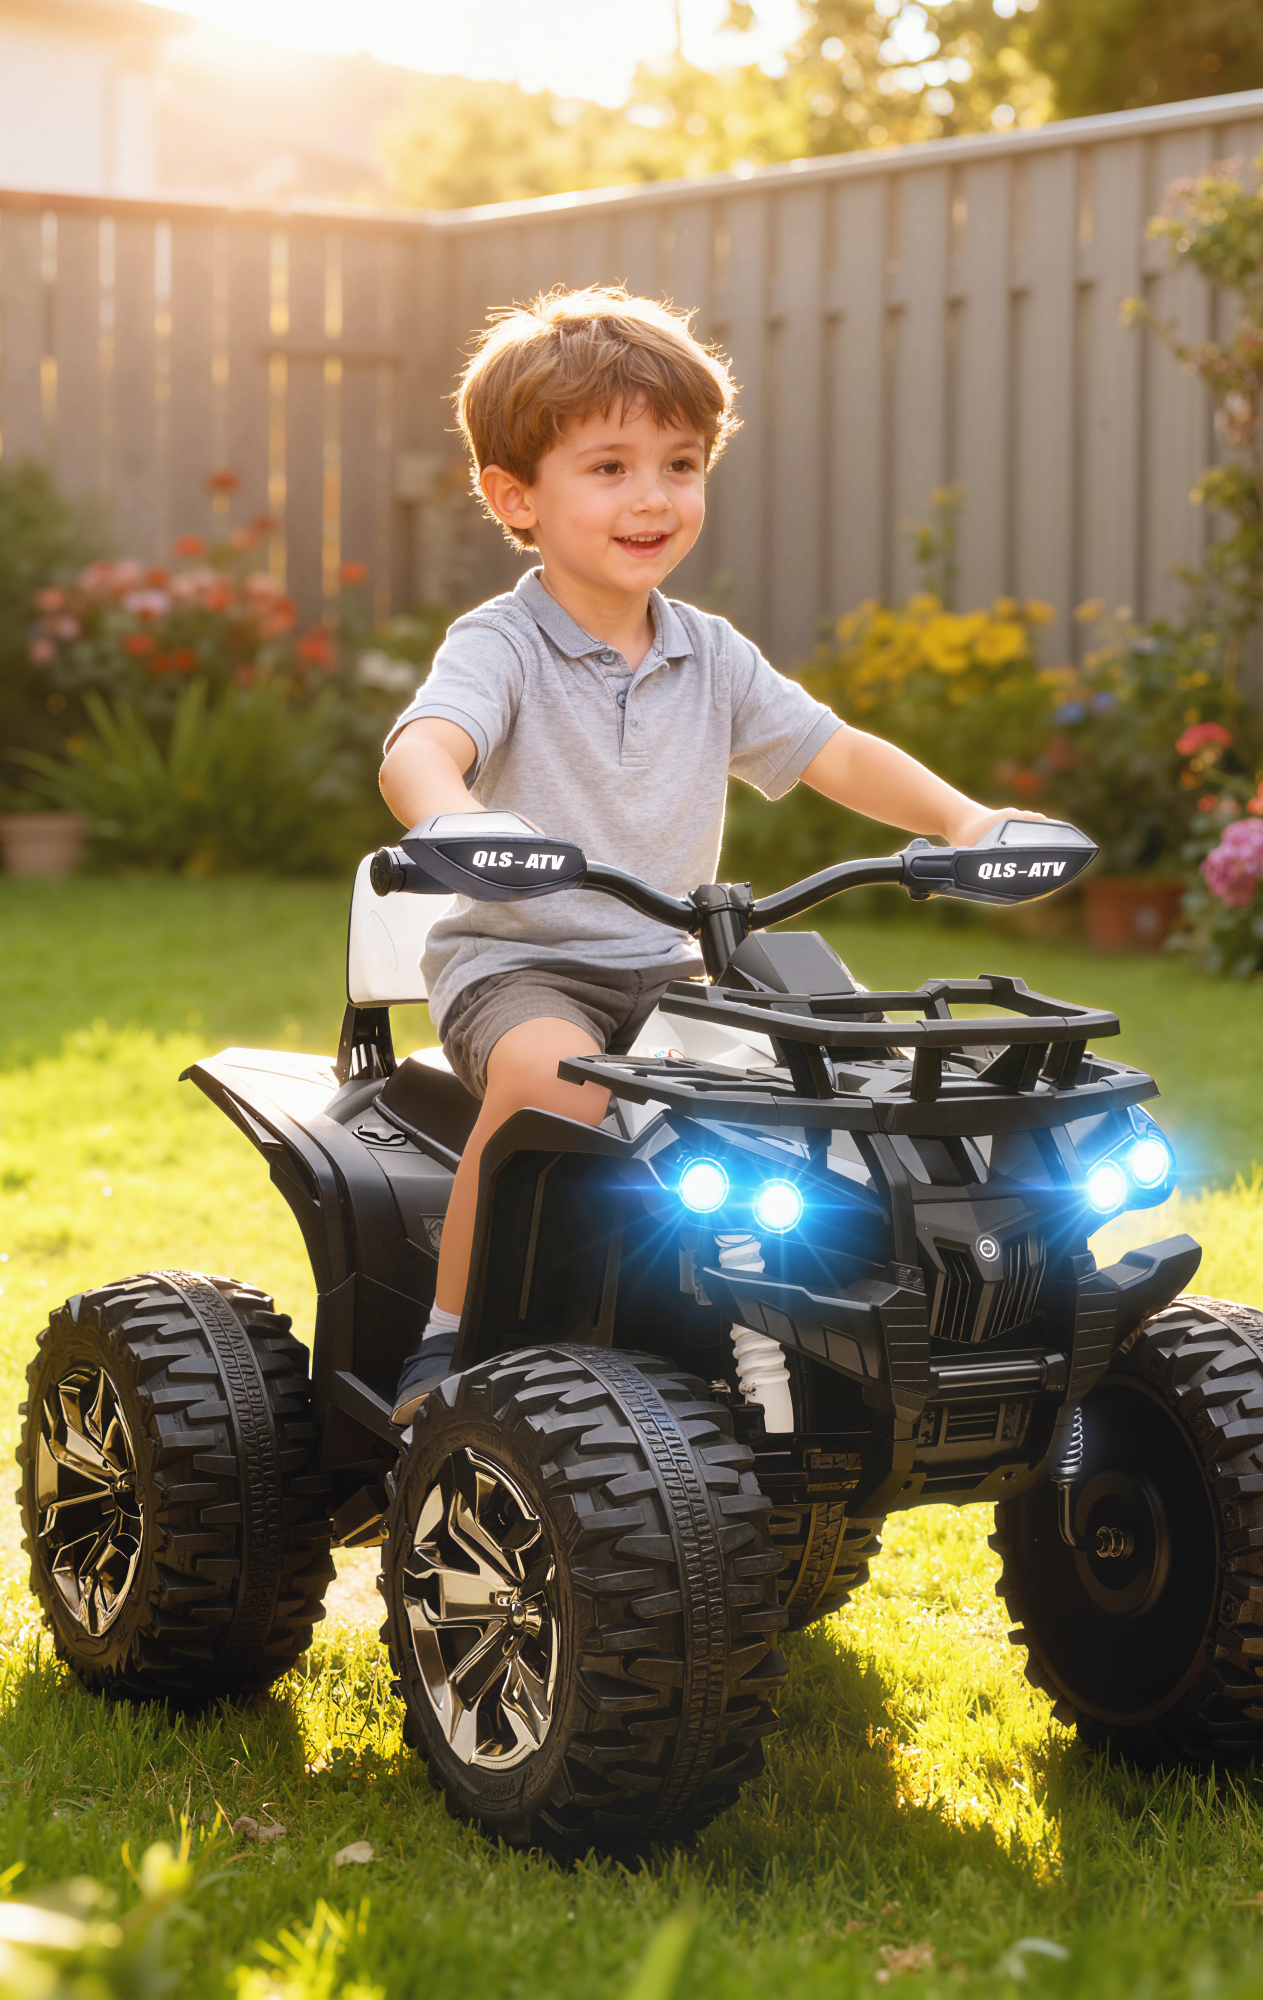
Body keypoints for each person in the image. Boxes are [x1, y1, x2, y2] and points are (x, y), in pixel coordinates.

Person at [379, 286, 1040, 1424]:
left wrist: (964, 822)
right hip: (524, 966)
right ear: (512, 497)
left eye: (680, 464)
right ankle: (448, 1336)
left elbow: (832, 750)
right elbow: (422, 747)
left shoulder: (708, 652)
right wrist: (454, 818)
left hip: (673, 973)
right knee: (554, 1082)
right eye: (608, 467)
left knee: (832, 1093)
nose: (653, 497)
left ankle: (814, 1335)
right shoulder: (500, 644)